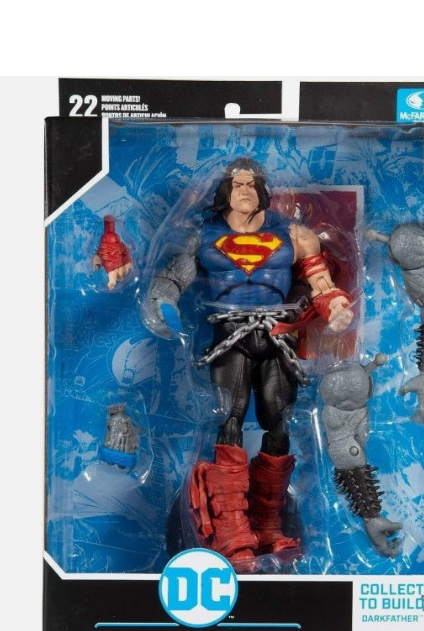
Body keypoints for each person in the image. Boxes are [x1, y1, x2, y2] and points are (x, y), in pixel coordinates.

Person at [141, 159, 354, 563]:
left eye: (251, 185)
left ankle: (269, 523)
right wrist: (163, 302)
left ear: (263, 190)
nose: (244, 191)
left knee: (278, 419)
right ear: (225, 190)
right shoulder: (204, 235)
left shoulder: (295, 234)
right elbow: (174, 276)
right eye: (237, 185)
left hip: (277, 334)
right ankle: (230, 527)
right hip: (230, 334)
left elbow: (321, 281)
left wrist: (335, 307)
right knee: (229, 416)